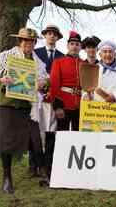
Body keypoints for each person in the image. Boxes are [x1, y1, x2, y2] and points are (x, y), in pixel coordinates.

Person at [0, 28, 48, 194]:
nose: (27, 44)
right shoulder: (5, 57)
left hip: (29, 107)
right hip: (9, 105)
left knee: (36, 140)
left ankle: (43, 172)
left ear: (35, 43)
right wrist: (2, 81)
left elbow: (46, 83)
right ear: (19, 41)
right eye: (24, 40)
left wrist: (43, 84)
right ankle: (7, 177)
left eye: (31, 41)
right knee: (6, 142)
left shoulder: (38, 62)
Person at [45, 31, 83, 179]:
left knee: (79, 138)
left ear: (80, 47)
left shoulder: (84, 64)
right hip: (64, 104)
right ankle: (58, 168)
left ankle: (76, 167)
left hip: (80, 104)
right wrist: (57, 106)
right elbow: (55, 85)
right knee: (61, 138)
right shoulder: (59, 62)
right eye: (72, 44)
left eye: (77, 44)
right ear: (68, 45)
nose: (74, 47)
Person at [32, 24, 64, 178]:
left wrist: (52, 94)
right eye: (49, 33)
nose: (51, 36)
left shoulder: (62, 56)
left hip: (53, 100)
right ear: (45, 36)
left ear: (57, 37)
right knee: (35, 131)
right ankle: (34, 165)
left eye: (54, 34)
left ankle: (49, 163)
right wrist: (39, 91)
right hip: (37, 98)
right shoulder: (35, 53)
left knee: (51, 131)